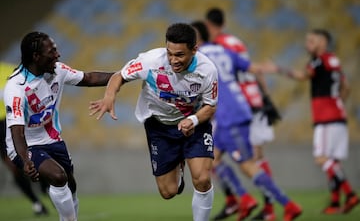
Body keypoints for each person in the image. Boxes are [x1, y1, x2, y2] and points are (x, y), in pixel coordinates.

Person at [89, 23, 218, 221]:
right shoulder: (150, 61)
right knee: (168, 192)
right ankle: (179, 166)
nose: (173, 60)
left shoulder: (207, 70)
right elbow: (119, 75)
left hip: (194, 125)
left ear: (194, 50)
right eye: (170, 54)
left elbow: (210, 106)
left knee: (202, 179)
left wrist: (192, 119)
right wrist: (109, 96)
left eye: (180, 55)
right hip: (160, 127)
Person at [191, 20, 302, 221]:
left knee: (248, 165)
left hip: (230, 115)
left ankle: (288, 204)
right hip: (234, 111)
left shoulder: (199, 57)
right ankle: (243, 198)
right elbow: (253, 68)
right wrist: (276, 69)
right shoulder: (223, 51)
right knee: (211, 161)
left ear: (196, 38)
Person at [4, 32, 114, 221]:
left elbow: (89, 78)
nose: (57, 54)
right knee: (58, 177)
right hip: (25, 145)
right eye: (52, 51)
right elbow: (17, 131)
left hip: (53, 138)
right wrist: (25, 160)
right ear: (36, 57)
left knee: (71, 186)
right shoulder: (16, 87)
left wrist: (124, 76)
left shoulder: (58, 71)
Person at [205, 8, 281, 221]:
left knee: (244, 158)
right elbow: (252, 69)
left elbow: (228, 78)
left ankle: (265, 207)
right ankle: (241, 202)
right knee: (216, 155)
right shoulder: (235, 41)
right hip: (251, 101)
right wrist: (265, 96)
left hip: (238, 107)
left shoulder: (217, 47)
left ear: (208, 26)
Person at [276, 29, 359, 214]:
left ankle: (350, 194)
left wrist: (278, 69)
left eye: (311, 41)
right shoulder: (334, 61)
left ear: (322, 42)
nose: (307, 45)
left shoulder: (319, 60)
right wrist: (337, 103)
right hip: (339, 116)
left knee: (322, 158)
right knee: (333, 161)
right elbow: (346, 87)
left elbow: (302, 76)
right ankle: (336, 202)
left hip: (326, 118)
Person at [1, 61, 49, 216]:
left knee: (27, 159)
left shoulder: (9, 70)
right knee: (14, 167)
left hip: (10, 122)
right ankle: (36, 203)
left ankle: (45, 185)